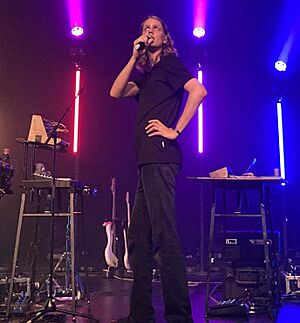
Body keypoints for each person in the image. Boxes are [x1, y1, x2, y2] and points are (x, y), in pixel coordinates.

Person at [110, 15, 207, 323]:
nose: (149, 32)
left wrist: (174, 130)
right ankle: (140, 314)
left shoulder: (169, 64)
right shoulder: (148, 75)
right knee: (139, 238)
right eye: (144, 28)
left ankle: (179, 316)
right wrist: (132, 56)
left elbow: (199, 91)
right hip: (145, 162)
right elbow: (115, 92)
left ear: (165, 37)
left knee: (165, 235)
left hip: (161, 157)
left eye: (155, 28)